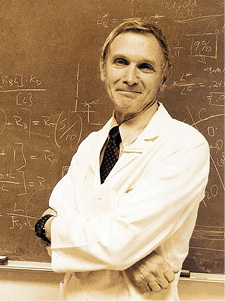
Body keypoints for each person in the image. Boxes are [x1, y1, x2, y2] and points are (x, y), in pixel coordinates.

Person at [35, 19, 210, 300]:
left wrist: (50, 228)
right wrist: (135, 258)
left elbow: (117, 244)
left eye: (145, 67)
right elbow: (51, 220)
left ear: (164, 77)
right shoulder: (91, 145)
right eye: (120, 62)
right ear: (103, 70)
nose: (130, 77)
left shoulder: (184, 146)